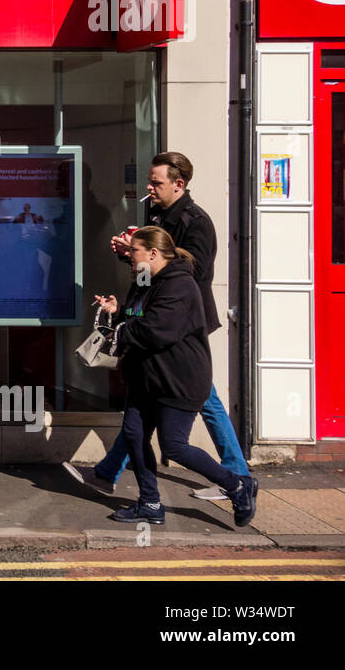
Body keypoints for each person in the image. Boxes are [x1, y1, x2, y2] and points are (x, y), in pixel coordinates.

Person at [66, 151, 249, 501]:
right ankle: (110, 473)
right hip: (156, 317)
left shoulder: (197, 222)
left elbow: (191, 278)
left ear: (179, 184)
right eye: (150, 182)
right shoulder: (157, 213)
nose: (149, 188)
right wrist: (132, 255)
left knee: (202, 400)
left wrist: (145, 256)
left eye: (156, 182)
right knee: (145, 403)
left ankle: (236, 475)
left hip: (179, 323)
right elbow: (152, 278)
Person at [93, 227, 258, 526]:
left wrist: (121, 331)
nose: (129, 257)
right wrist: (118, 312)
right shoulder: (147, 278)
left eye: (135, 252)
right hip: (147, 376)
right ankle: (150, 503)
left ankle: (237, 484)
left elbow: (157, 330)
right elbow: (136, 314)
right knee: (134, 434)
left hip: (178, 379)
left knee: (174, 446)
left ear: (153, 254)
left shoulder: (180, 286)